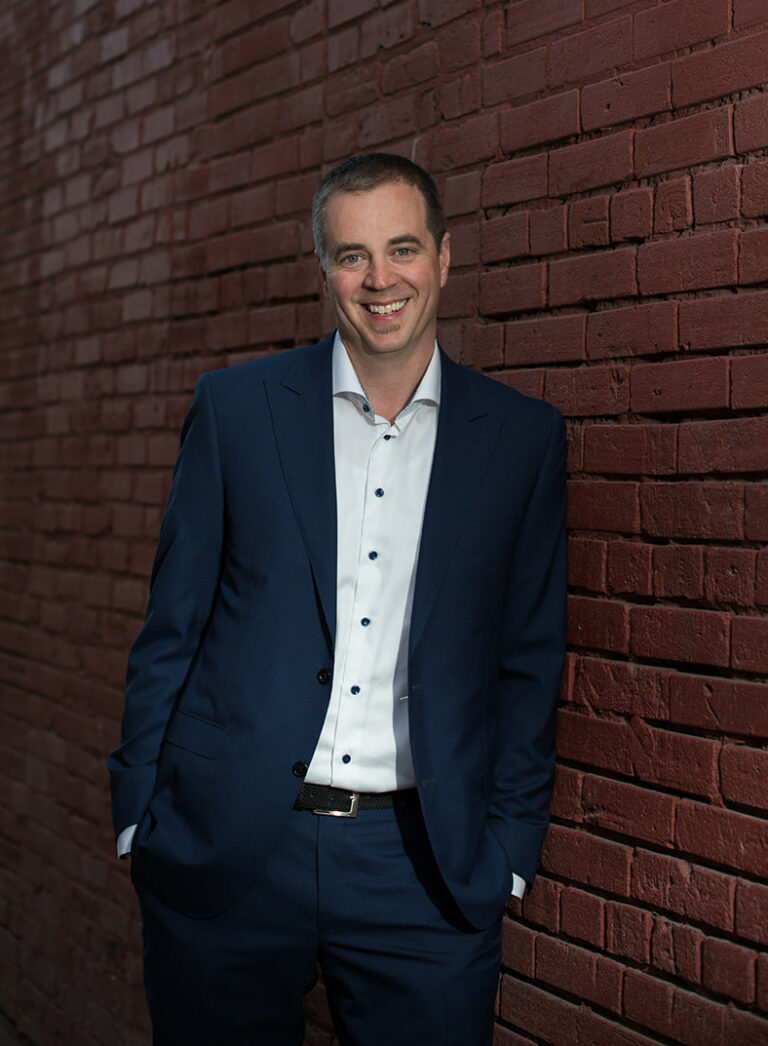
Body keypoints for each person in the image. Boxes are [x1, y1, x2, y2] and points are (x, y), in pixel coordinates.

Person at [109, 152, 567, 1046]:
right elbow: (174, 623)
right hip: (229, 845)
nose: (380, 278)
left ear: (444, 257)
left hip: (424, 868)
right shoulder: (239, 409)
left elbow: (528, 657)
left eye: (402, 249)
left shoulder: (521, 440)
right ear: (325, 268)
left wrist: (509, 853)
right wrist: (139, 814)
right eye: (352, 255)